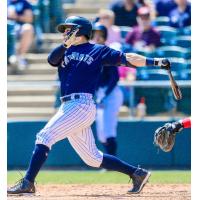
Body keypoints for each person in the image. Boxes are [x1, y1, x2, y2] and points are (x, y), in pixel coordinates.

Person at [7, 16, 171, 195]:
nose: (65, 33)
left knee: (44, 137)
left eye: (69, 29)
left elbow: (128, 58)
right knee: (92, 158)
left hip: (81, 105)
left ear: (80, 31)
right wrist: (65, 45)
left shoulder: (97, 50)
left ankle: (28, 182)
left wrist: (154, 62)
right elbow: (51, 60)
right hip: (68, 106)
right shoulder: (65, 50)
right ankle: (137, 173)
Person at [92, 23, 123, 156]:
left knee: (108, 129)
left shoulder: (107, 51)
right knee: (101, 133)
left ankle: (113, 161)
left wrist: (104, 94)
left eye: (100, 35)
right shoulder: (92, 53)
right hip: (100, 93)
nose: (98, 37)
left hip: (111, 93)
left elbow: (115, 78)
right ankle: (111, 161)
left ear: (105, 36)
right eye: (95, 35)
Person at [7, 0, 34, 71]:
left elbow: (29, 19)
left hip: (19, 27)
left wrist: (15, 16)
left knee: (28, 28)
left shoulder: (24, 3)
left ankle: (19, 56)